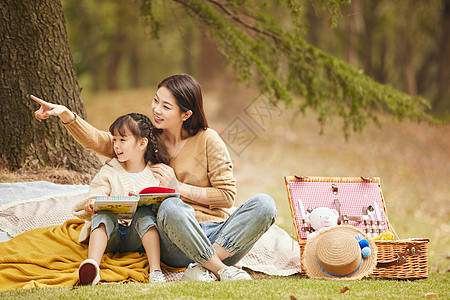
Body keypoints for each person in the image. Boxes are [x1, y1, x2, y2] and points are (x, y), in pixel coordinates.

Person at [31, 74, 277, 282]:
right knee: (171, 206)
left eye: (166, 106)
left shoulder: (208, 140)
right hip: (173, 240)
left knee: (265, 204)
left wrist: (177, 187)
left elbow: (226, 197)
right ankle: (219, 269)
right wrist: (66, 115)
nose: (156, 110)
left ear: (186, 114)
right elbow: (102, 140)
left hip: (217, 237)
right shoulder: (148, 138)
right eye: (156, 101)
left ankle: (204, 264)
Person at [72, 112, 168, 285]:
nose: (116, 145)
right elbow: (97, 190)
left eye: (122, 140)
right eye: (114, 140)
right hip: (111, 236)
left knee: (146, 214)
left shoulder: (156, 173)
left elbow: (163, 206)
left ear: (142, 143)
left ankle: (156, 271)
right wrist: (93, 201)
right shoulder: (110, 169)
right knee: (103, 215)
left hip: (138, 237)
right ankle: (93, 267)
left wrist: (144, 202)